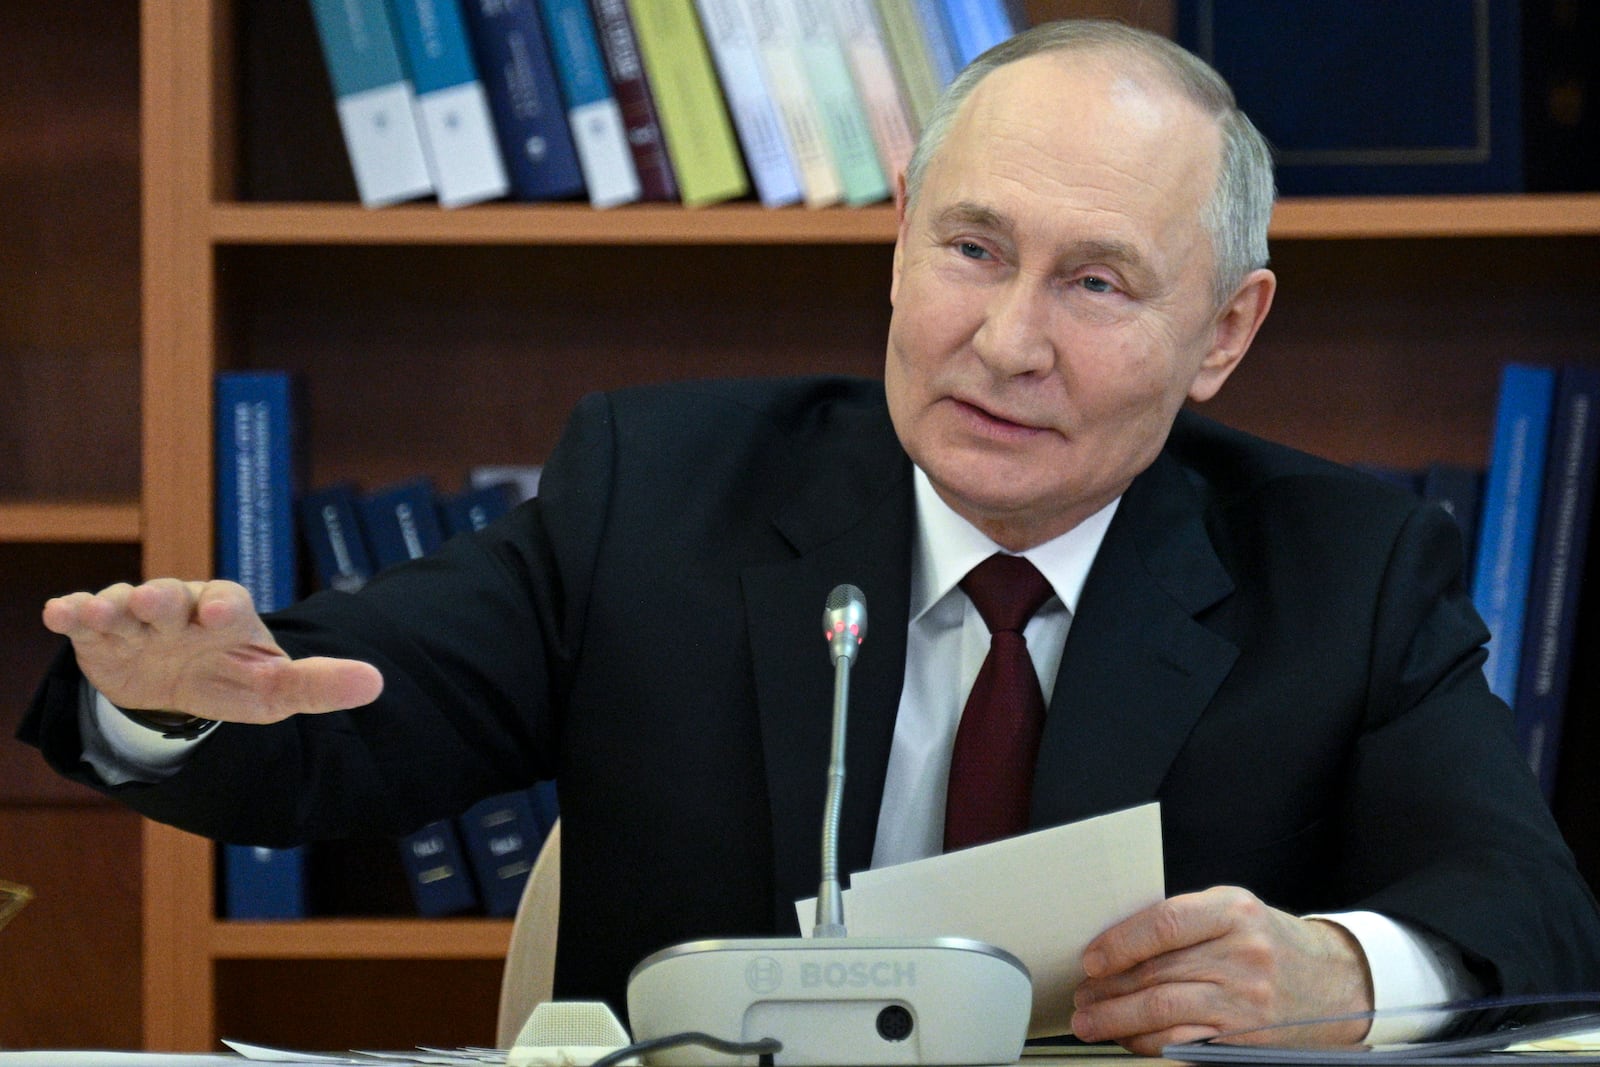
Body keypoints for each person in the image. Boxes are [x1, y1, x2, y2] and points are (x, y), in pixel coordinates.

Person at [22, 19, 1600, 1056]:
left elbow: (1527, 905)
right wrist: (175, 705)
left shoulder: (1346, 566)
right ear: (900, 230)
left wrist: (1342, 971)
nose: (1005, 341)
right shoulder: (663, 489)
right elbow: (344, 720)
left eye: (1097, 284)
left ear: (1225, 331)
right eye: (971, 248)